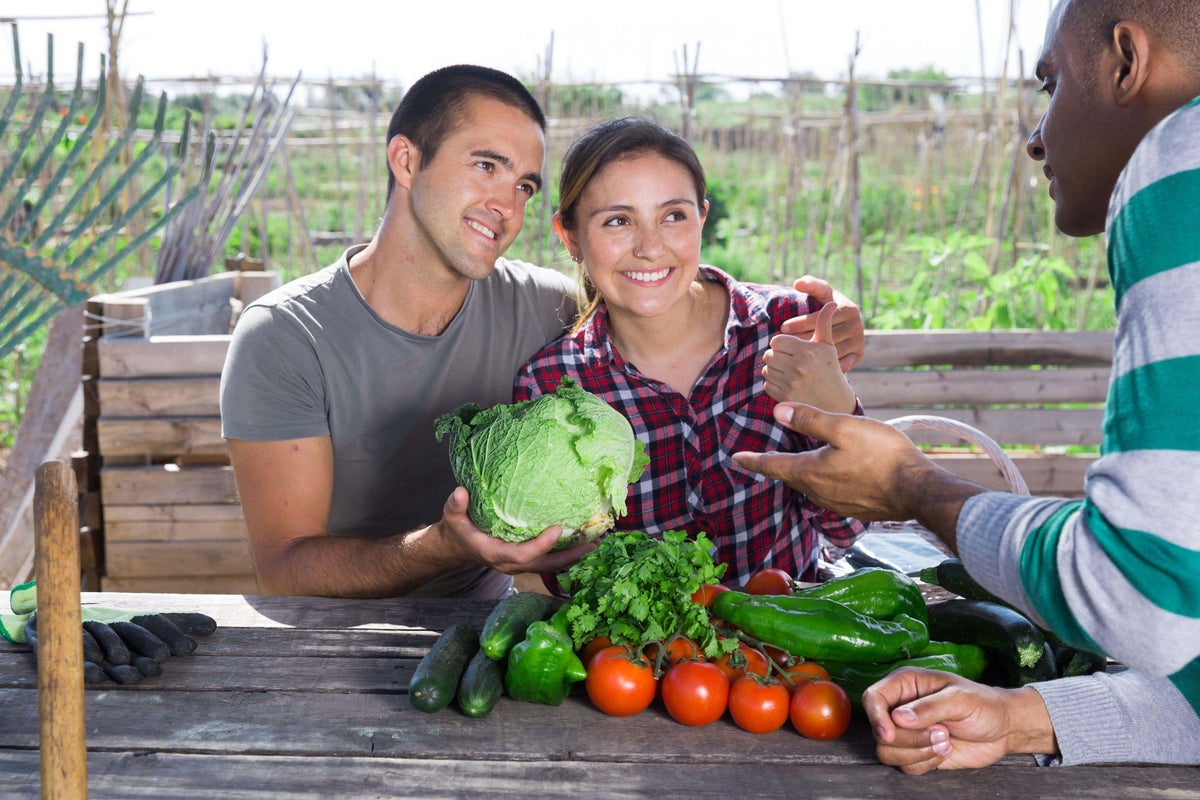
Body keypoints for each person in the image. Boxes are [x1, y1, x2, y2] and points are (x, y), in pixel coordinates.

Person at [732, 0, 1200, 769]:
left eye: (1051, 84)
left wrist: (913, 488)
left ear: (1126, 60)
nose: (1036, 136)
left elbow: (1137, 595)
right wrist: (1027, 719)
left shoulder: (1183, 155)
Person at [220, 66, 866, 600]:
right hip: (334, 640)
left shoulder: (551, 308)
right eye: (486, 166)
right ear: (406, 160)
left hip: (511, 625)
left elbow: (656, 284)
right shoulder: (286, 336)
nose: (507, 205)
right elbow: (283, 572)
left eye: (524, 184)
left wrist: (825, 318)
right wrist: (449, 546)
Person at [514, 118, 866, 588]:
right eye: (618, 220)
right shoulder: (552, 388)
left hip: (793, 639)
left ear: (702, 217)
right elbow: (558, 573)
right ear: (571, 237)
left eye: (673, 216)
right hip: (643, 657)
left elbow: (847, 529)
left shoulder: (789, 328)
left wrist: (837, 413)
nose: (650, 247)